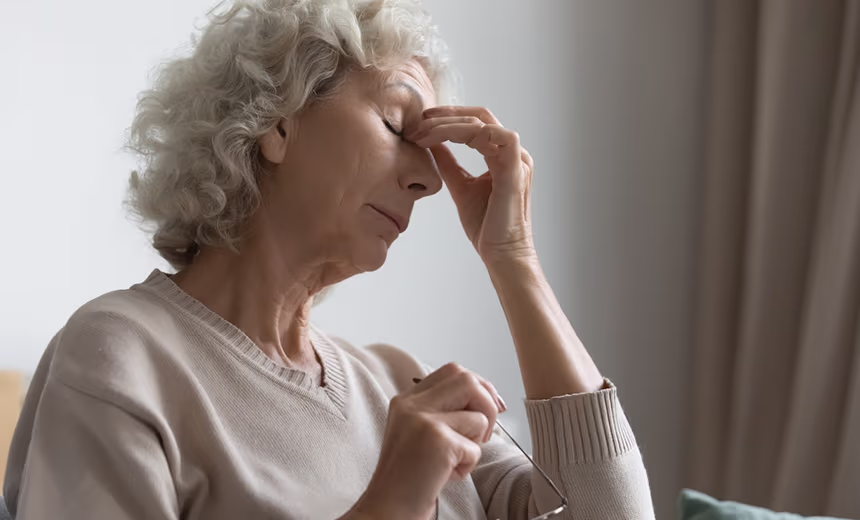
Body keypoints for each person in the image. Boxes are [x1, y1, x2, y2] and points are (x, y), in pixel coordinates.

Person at [3, 0, 655, 518]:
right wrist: (390, 505)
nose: (428, 182)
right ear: (277, 122)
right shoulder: (123, 354)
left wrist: (513, 257)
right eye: (400, 127)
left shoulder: (405, 384)